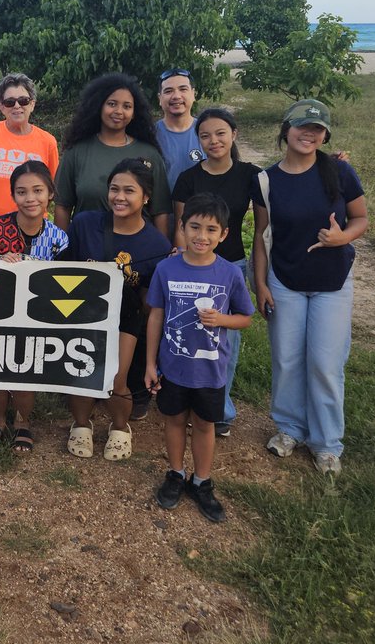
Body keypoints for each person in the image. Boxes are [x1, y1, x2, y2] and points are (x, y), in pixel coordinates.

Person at [251, 98, 368, 474]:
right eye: (302, 126)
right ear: (286, 129)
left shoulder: (339, 171)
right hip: (284, 280)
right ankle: (288, 428)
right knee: (286, 359)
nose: (309, 134)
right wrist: (261, 284)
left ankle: (327, 443)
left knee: (325, 363)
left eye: (318, 129)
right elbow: (262, 234)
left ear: (325, 135)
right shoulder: (267, 180)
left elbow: (361, 218)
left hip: (332, 281)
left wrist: (342, 238)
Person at [146, 194, 255, 523]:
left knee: (206, 425)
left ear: (223, 234)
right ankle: (176, 474)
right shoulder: (166, 268)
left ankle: (202, 481)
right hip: (173, 368)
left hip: (210, 371)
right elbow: (155, 316)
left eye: (211, 230)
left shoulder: (229, 274)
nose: (201, 236)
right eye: (194, 227)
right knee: (174, 420)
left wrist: (222, 320)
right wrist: (151, 363)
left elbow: (245, 317)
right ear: (182, 227)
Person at [62, 159, 173, 460]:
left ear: (146, 197)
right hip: (82, 312)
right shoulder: (84, 224)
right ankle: (81, 424)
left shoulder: (156, 244)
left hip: (126, 317)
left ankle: (121, 428)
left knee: (117, 377)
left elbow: (151, 300)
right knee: (81, 372)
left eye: (129, 191)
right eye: (114, 189)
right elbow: (63, 268)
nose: (119, 197)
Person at [171, 108, 262, 437]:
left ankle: (219, 413)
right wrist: (182, 262)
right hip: (192, 269)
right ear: (199, 140)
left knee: (225, 345)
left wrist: (335, 164)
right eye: (206, 135)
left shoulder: (251, 175)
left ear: (234, 134)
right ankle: (184, 403)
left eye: (220, 133)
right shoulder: (188, 178)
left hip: (231, 267)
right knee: (190, 338)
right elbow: (181, 229)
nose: (214, 141)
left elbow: (265, 226)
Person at [0, 160, 68, 453]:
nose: (30, 199)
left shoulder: (59, 239)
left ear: (50, 193)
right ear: (12, 196)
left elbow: (64, 281)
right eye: (22, 192)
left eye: (38, 190)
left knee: (26, 371)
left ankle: (22, 422)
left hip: (37, 317)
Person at [54, 72, 170, 234]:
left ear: (134, 112)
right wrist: (62, 252)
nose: (119, 111)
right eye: (112, 104)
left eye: (127, 106)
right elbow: (62, 207)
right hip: (86, 248)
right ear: (99, 105)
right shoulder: (76, 151)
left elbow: (160, 211)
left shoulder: (149, 154)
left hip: (136, 251)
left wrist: (161, 253)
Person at [0, 73, 59, 232]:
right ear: (2, 107)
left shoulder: (47, 142)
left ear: (32, 104)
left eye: (23, 100)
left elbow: (54, 191)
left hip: (32, 233)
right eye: (9, 102)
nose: (16, 106)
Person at [155, 68, 203, 193]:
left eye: (183, 89)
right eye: (168, 91)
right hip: (161, 212)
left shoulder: (206, 132)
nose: (176, 96)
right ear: (160, 98)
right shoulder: (149, 135)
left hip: (202, 210)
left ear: (193, 94)